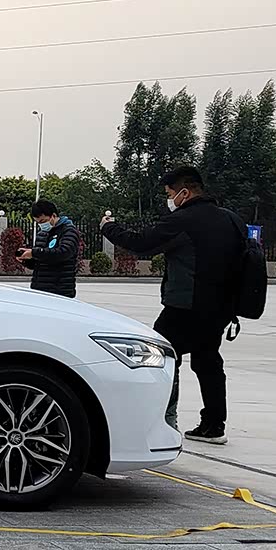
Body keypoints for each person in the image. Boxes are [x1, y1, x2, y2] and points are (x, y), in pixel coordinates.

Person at [102, 164, 244, 445]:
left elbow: (141, 243)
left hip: (184, 306)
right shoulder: (231, 219)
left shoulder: (183, 220)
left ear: (184, 192)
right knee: (208, 361)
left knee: (161, 357)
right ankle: (214, 425)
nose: (170, 200)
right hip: (221, 307)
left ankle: (164, 421)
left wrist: (109, 228)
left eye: (170, 194)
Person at [18, 199, 79, 297]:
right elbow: (41, 261)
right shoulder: (41, 234)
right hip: (39, 289)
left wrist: (34, 253)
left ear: (53, 216)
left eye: (43, 221)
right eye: (38, 222)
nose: (41, 225)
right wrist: (27, 259)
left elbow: (63, 253)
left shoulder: (68, 231)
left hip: (60, 290)